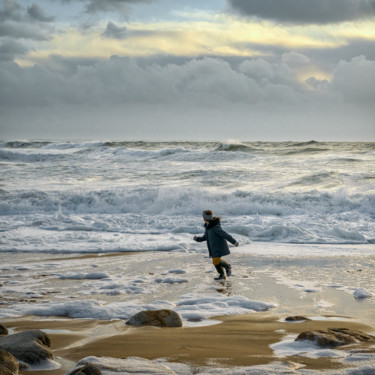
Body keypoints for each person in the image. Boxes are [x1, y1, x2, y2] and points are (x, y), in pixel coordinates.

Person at [194, 210, 239, 280]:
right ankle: (222, 275)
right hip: (213, 248)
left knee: (216, 260)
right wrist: (197, 239)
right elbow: (205, 237)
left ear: (205, 218)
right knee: (215, 261)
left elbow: (225, 234)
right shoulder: (208, 226)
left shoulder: (215, 227)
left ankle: (227, 266)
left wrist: (234, 242)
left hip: (219, 247)